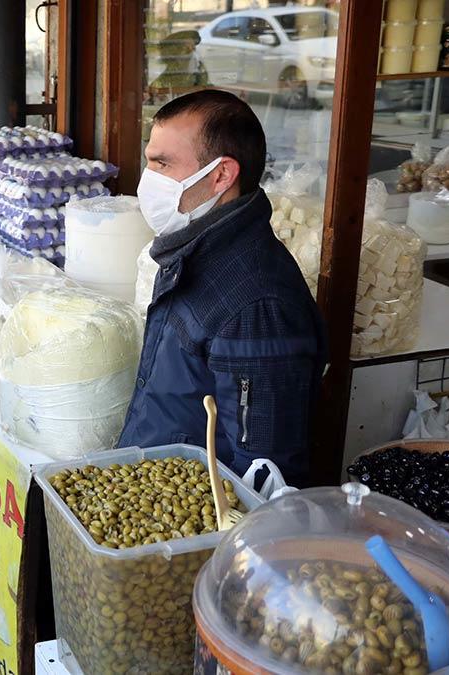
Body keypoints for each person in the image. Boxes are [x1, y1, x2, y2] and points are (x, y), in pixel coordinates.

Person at [117, 89, 327, 486]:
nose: (148, 180)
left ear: (221, 175)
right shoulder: (194, 248)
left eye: (163, 164)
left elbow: (264, 472)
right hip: (157, 486)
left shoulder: (256, 305)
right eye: (149, 162)